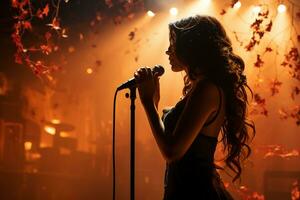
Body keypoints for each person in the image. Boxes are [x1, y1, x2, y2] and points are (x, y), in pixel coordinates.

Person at [134, 15, 256, 200]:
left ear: (191, 46)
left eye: (173, 43)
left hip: (196, 192)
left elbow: (172, 151)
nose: (168, 51)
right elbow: (174, 143)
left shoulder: (207, 89)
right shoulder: (199, 88)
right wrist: (154, 102)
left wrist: (148, 104)